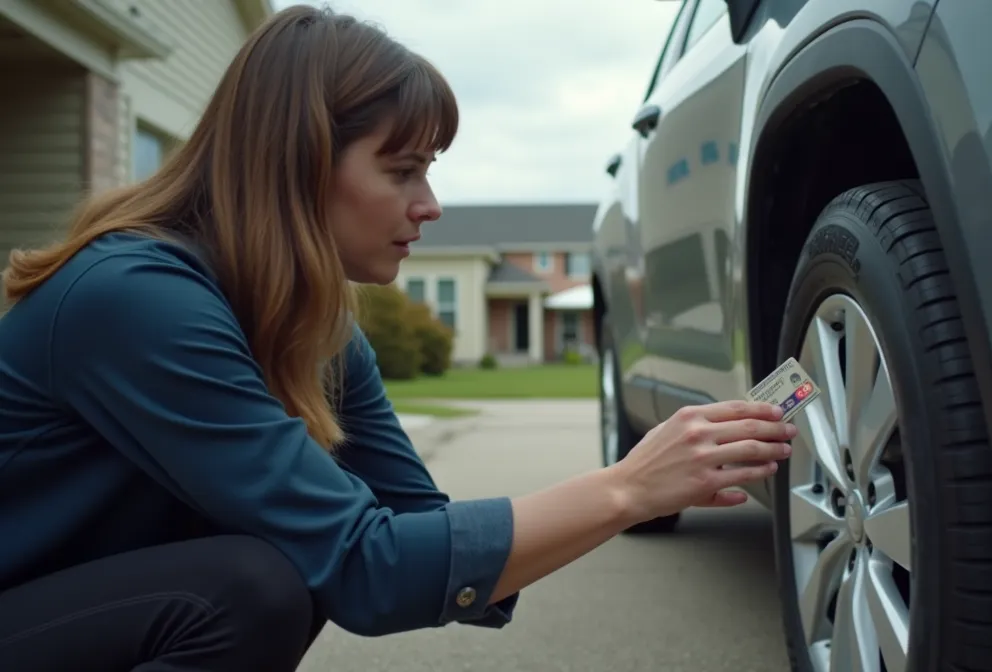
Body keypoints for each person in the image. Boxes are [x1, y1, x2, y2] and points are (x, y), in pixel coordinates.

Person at [0, 5, 795, 670]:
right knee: (253, 587)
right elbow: (367, 568)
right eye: (403, 169)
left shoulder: (315, 331)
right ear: (300, 163)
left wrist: (639, 486)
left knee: (283, 568)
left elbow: (417, 533)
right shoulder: (136, 300)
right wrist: (626, 488)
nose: (430, 204)